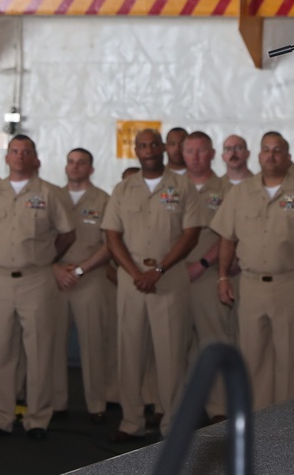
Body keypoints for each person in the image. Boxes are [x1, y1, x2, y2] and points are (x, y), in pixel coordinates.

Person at [214, 132, 294, 409]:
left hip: (291, 283)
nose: (271, 155)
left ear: (288, 156)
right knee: (253, 356)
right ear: (258, 156)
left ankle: (290, 421)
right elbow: (227, 239)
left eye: (277, 150)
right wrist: (223, 277)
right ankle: (256, 418)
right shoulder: (241, 192)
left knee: (291, 358)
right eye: (266, 150)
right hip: (251, 284)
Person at [102, 129, 205, 442]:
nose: (147, 150)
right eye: (141, 145)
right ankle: (131, 421)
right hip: (131, 281)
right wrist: (135, 272)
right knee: (130, 353)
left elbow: (191, 234)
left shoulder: (182, 186)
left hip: (169, 279)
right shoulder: (123, 189)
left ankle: (172, 425)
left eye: (153, 144)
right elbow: (111, 235)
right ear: (135, 150)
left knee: (171, 355)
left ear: (163, 148)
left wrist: (158, 270)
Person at [0, 135, 76, 439]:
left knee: (40, 351)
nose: (20, 156)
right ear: (6, 158)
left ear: (35, 159)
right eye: (14, 151)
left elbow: (67, 234)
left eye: (26, 152)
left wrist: (44, 257)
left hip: (37, 279)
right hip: (0, 280)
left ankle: (37, 419)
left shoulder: (50, 193)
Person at [51, 148, 115, 424]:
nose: (75, 167)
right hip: (55, 277)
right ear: (66, 167)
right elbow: (39, 241)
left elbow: (111, 244)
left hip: (90, 277)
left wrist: (80, 269)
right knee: (52, 344)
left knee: (93, 344)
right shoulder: (51, 197)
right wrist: (54, 268)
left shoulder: (104, 200)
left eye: (81, 163)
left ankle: (96, 404)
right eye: (71, 162)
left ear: (91, 169)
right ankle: (55, 403)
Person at [181, 131, 237, 422]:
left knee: (214, 341)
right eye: (189, 151)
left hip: (208, 274)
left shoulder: (227, 188)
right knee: (175, 344)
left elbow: (229, 235)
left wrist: (202, 264)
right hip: (174, 276)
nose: (195, 157)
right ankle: (179, 406)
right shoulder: (172, 187)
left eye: (201, 151)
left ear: (213, 154)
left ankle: (217, 408)